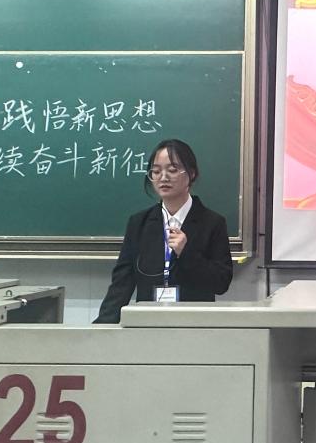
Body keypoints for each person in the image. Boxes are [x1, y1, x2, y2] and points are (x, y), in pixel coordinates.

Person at [94, 138, 233, 323]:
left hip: (194, 324)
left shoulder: (212, 223)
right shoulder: (139, 223)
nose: (163, 177)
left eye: (172, 170)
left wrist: (187, 253)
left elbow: (221, 283)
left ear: (191, 174)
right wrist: (101, 327)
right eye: (156, 171)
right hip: (148, 324)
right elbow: (122, 282)